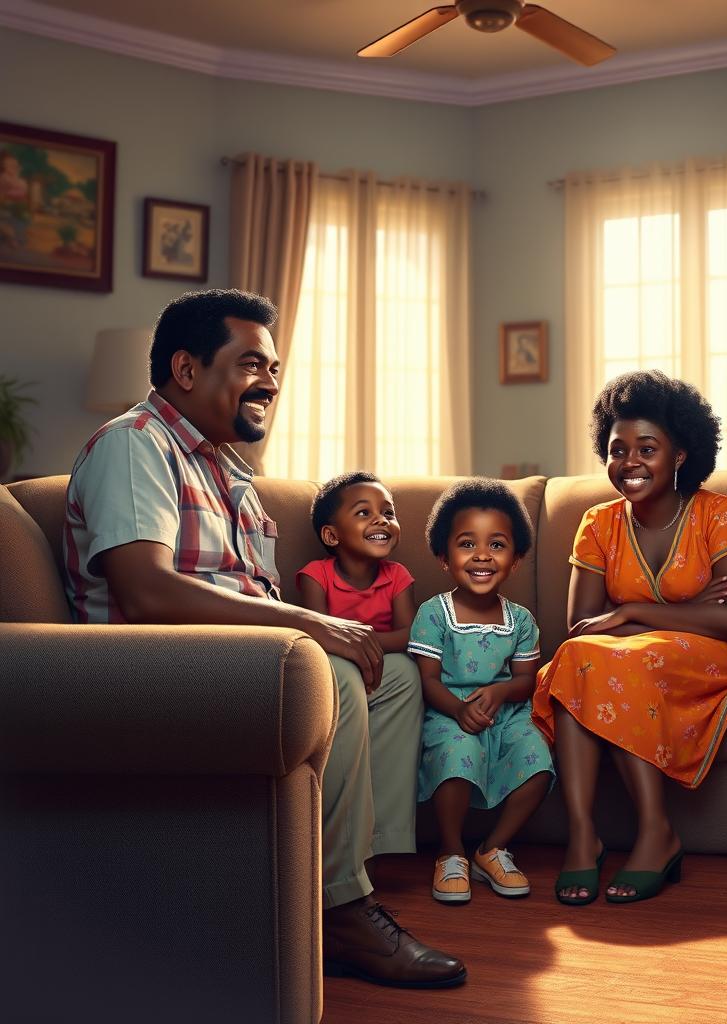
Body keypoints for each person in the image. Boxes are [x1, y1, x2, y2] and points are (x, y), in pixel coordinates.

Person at [62, 288, 465, 989]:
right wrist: (310, 623)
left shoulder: (227, 473)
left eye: (275, 367)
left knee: (389, 674)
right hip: (149, 667)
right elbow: (145, 592)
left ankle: (349, 872)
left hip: (236, 663)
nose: (271, 382)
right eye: (252, 363)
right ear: (186, 370)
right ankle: (344, 914)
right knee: (330, 670)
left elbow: (252, 593)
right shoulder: (133, 446)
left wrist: (315, 631)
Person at [532, 370, 727, 905]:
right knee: (581, 658)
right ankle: (583, 835)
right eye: (617, 449)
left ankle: (656, 833)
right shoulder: (597, 524)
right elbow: (582, 628)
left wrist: (634, 611)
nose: (630, 462)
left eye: (647, 448)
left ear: (680, 455)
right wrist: (688, 610)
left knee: (611, 659)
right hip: (631, 658)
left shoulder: (719, 513)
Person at [409, 479, 553, 904]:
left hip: (507, 712)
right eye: (467, 543)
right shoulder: (434, 614)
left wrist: (502, 690)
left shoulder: (521, 620)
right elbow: (429, 680)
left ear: (517, 559)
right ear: (443, 556)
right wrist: (458, 709)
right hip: (449, 712)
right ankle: (450, 852)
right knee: (457, 756)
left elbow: (528, 679)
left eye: (497, 544)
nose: (482, 555)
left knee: (540, 763)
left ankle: (492, 849)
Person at [296, 470, 424, 877]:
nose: (381, 520)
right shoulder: (315, 575)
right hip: (333, 673)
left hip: (380, 669)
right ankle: (340, 851)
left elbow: (408, 636)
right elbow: (316, 633)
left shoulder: (397, 576)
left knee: (407, 671)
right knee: (345, 675)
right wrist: (353, 647)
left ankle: (383, 842)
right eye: (364, 512)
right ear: (332, 536)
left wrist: (361, 642)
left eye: (388, 512)